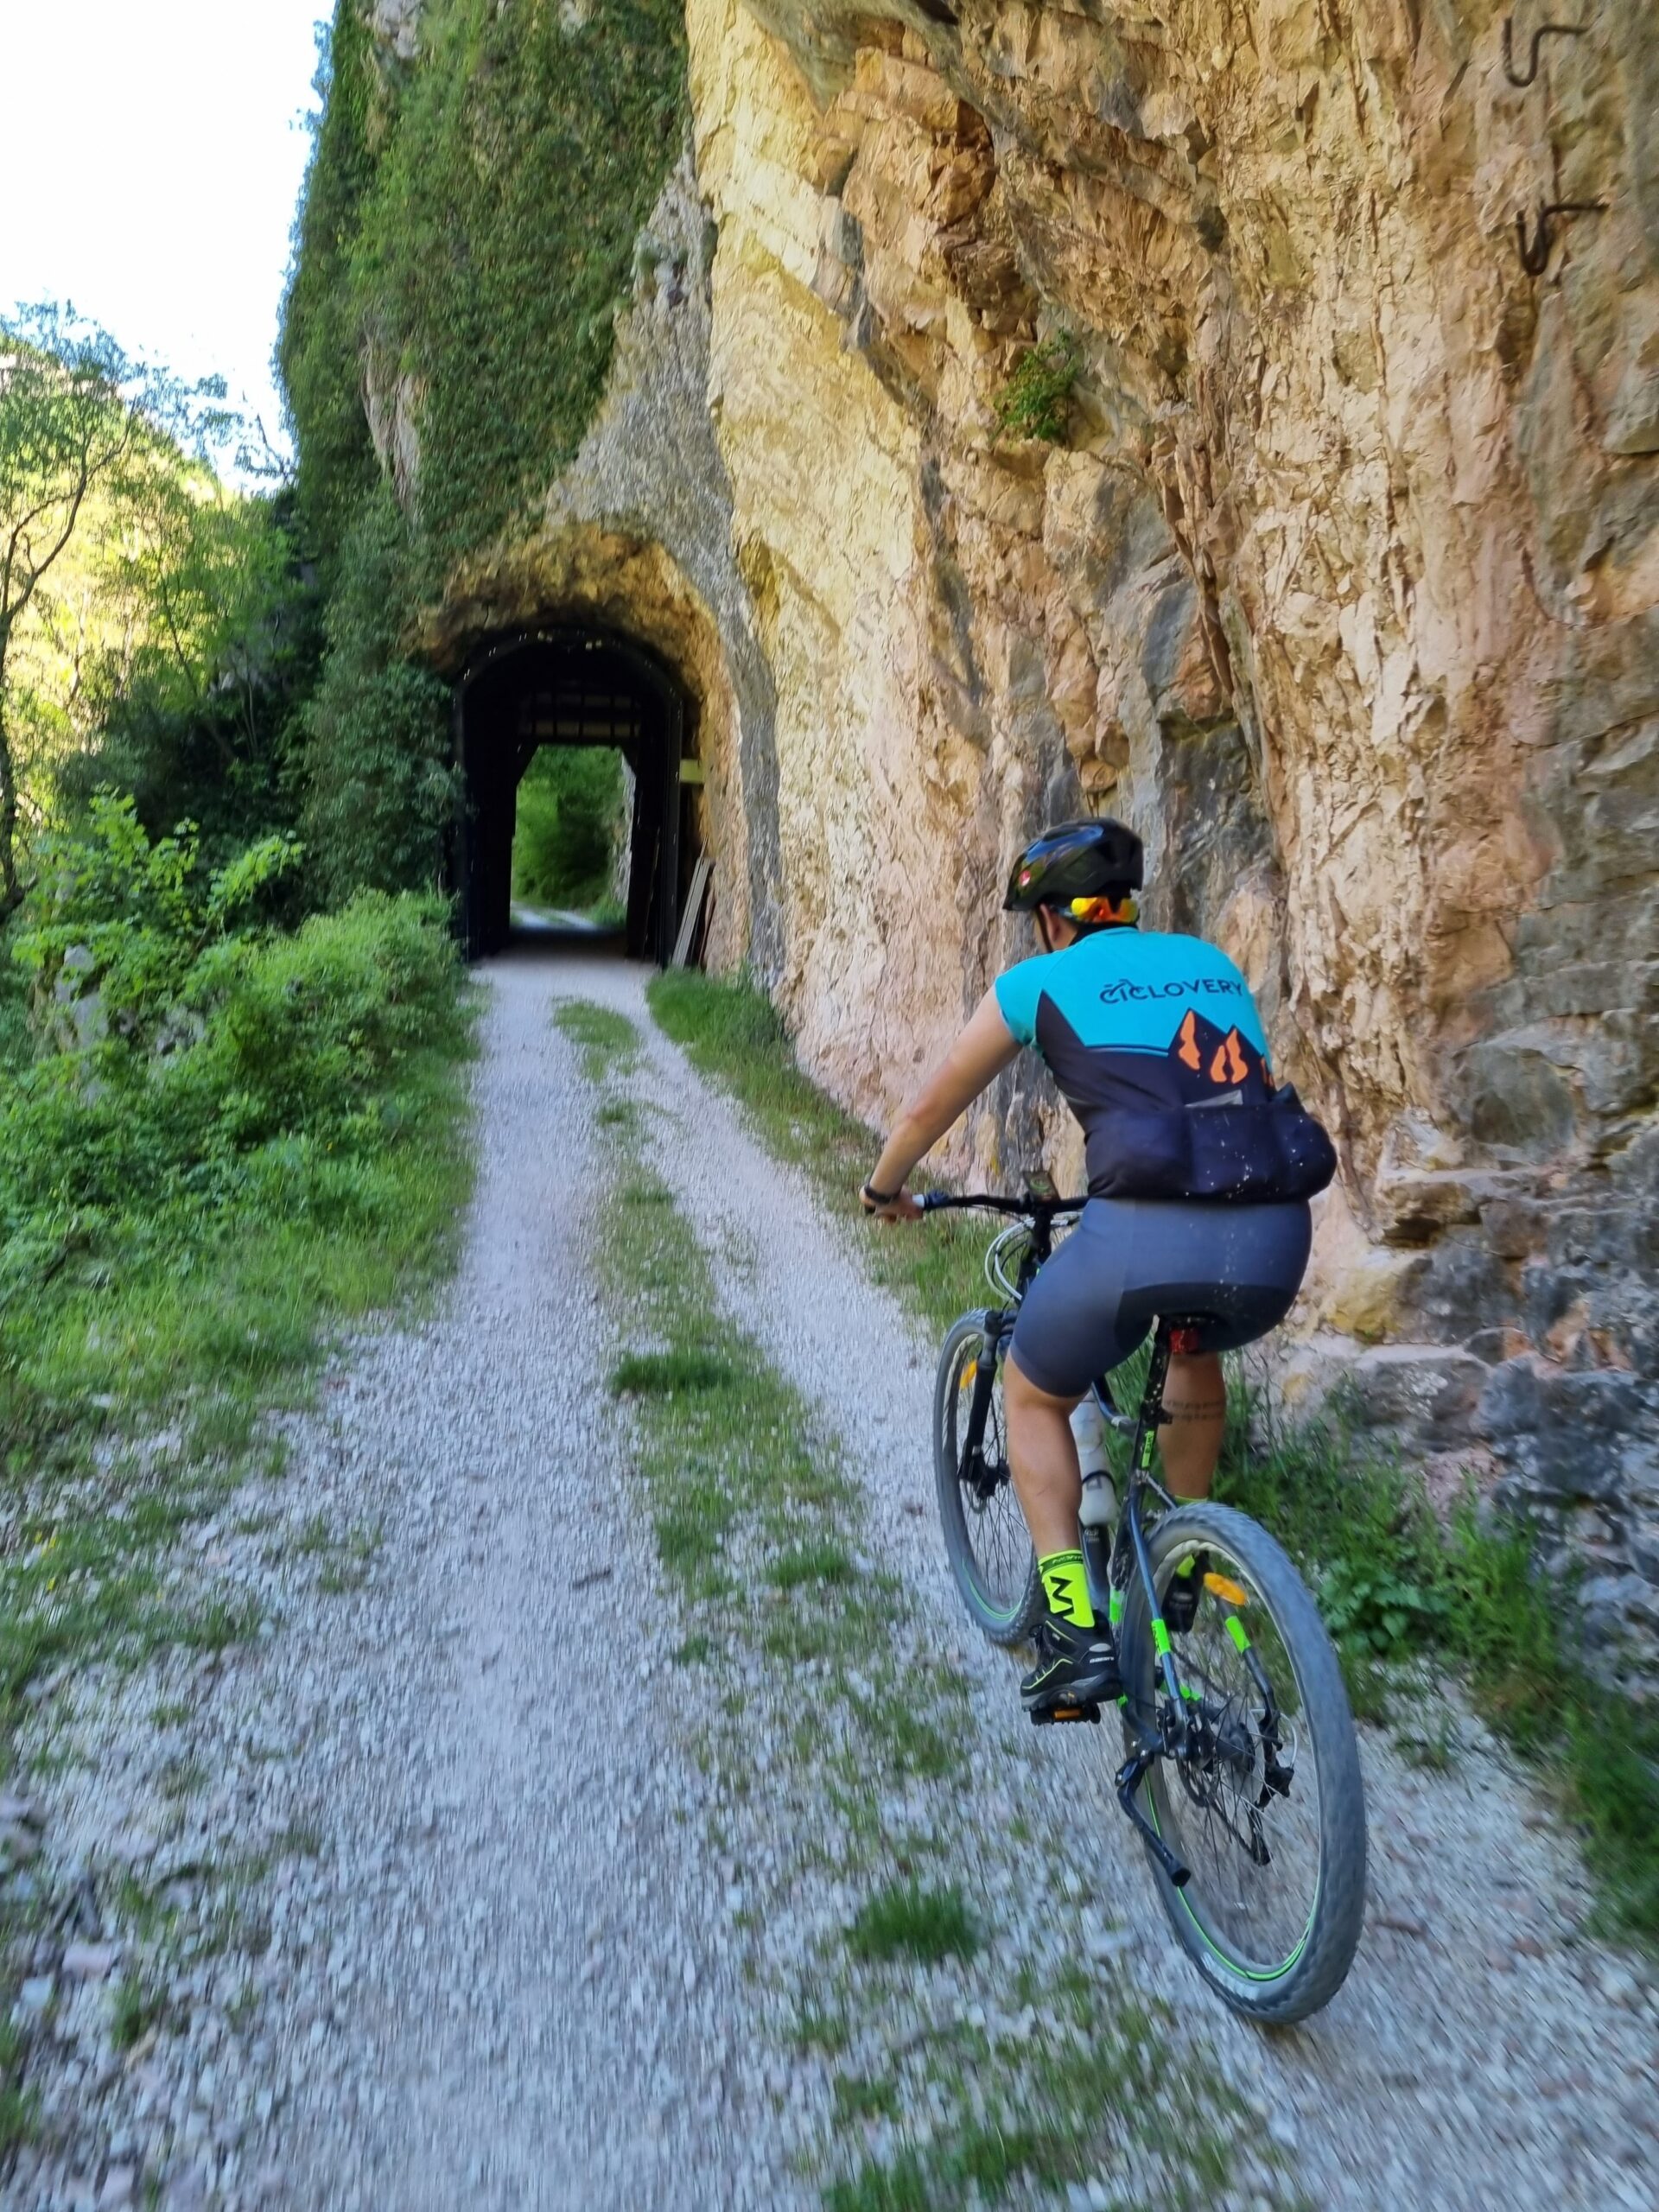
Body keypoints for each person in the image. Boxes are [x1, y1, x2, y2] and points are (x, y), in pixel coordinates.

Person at [860, 818, 1327, 1713]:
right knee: (1191, 1342)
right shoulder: (1211, 964)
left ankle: (1075, 1633)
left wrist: (886, 1188)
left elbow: (928, 1106)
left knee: (1035, 1393)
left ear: (1047, 920)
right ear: (1126, 906)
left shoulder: (1038, 982)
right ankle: (1184, 1555)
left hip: (1144, 1234)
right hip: (1274, 1237)